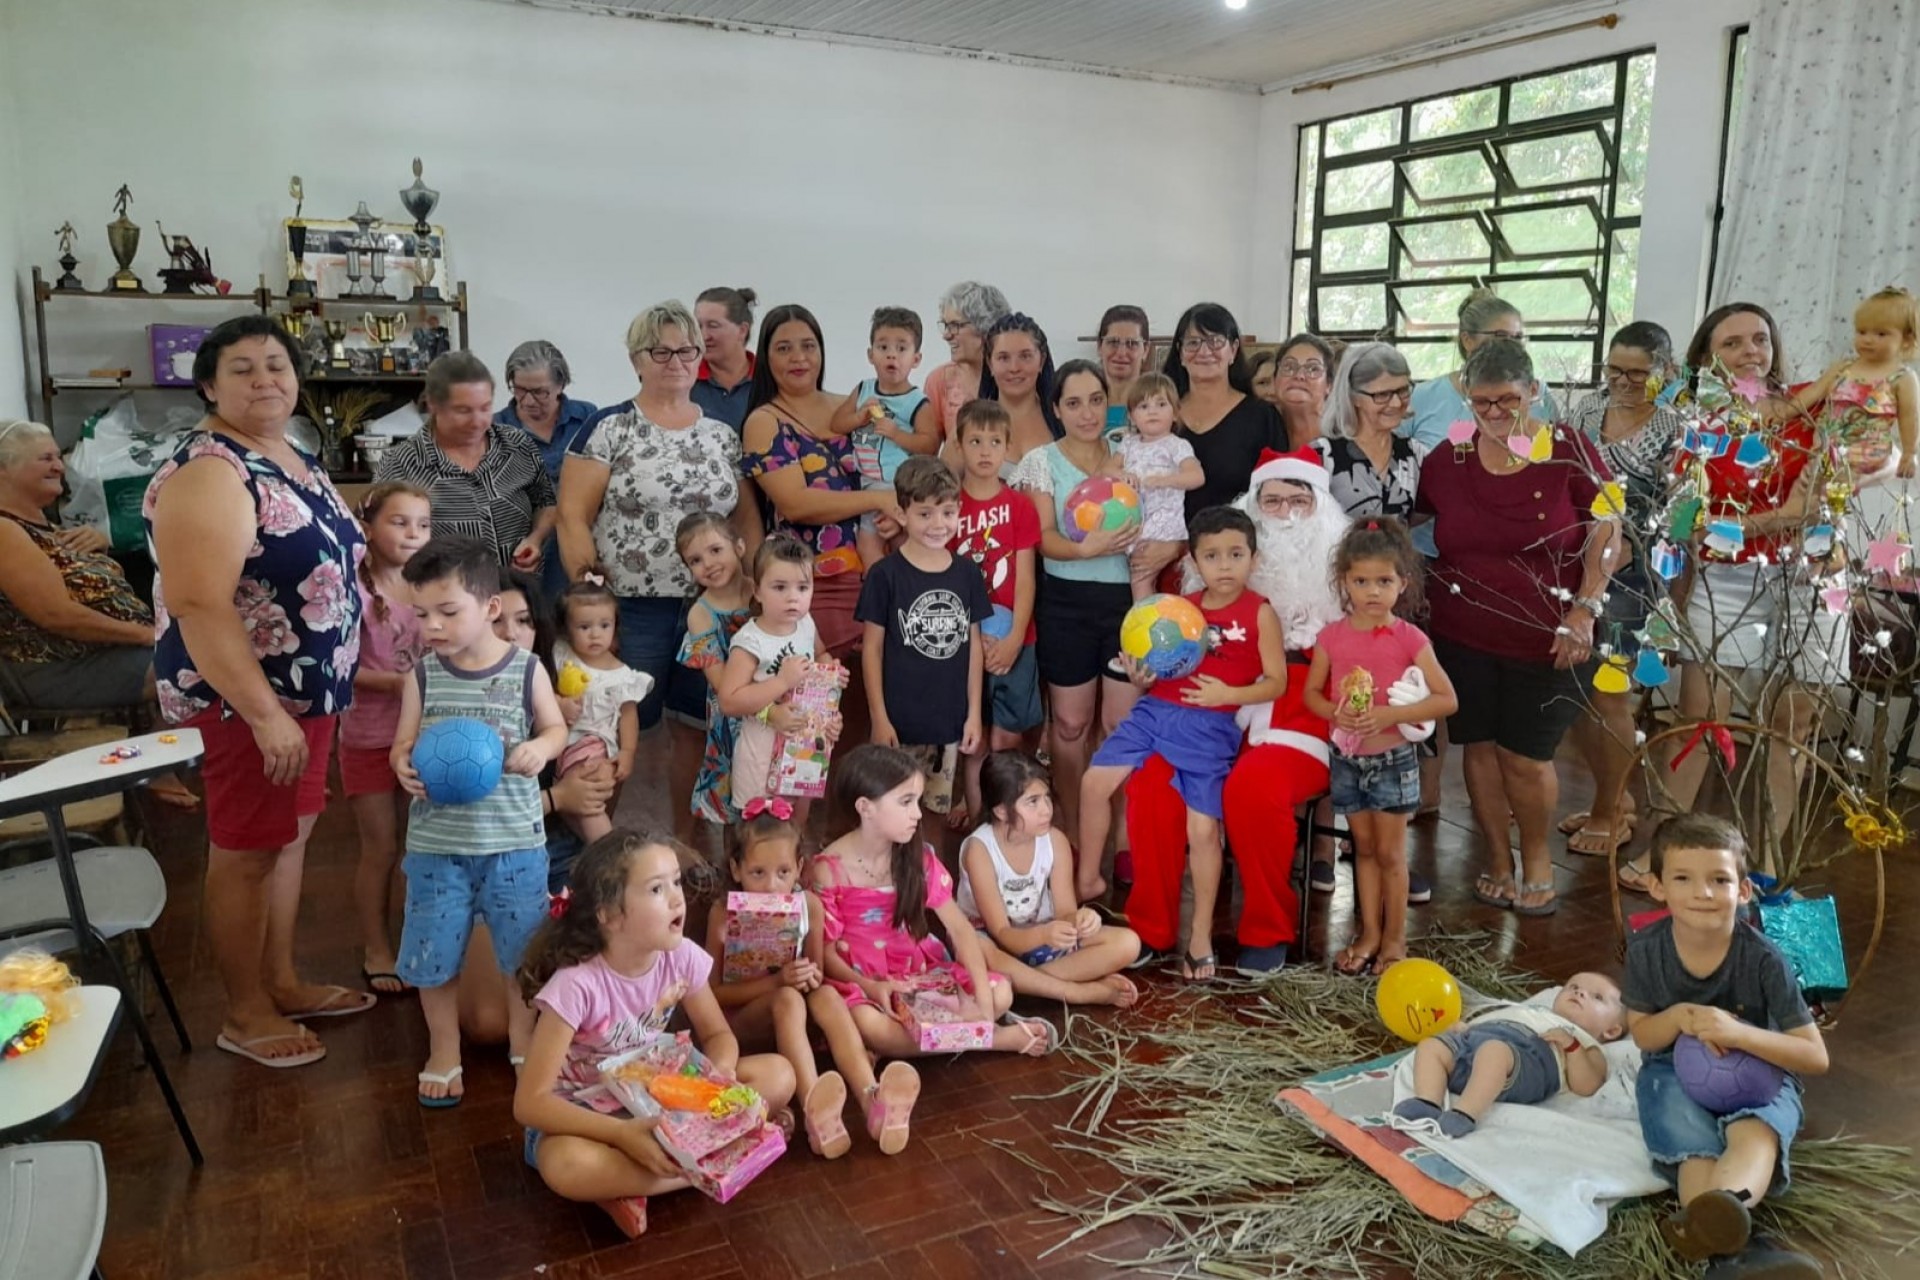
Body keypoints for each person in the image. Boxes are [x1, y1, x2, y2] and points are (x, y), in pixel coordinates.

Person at [145, 315, 373, 1068]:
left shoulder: (288, 455)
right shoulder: (212, 469)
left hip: (306, 695)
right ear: (207, 384)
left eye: (276, 364)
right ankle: (243, 1012)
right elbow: (201, 603)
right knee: (245, 851)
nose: (264, 379)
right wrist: (265, 714)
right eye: (241, 368)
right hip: (248, 700)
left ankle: (278, 977)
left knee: (285, 839)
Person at [1633, 304, 1838, 886]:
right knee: (1703, 722)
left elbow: (1871, 457)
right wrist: (1783, 517)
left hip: (1810, 582)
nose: (1752, 351)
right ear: (1705, 358)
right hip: (1726, 581)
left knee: (1790, 728)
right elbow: (1690, 526)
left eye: (1761, 339)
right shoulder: (1695, 426)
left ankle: (1764, 866)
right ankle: (1661, 861)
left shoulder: (1813, 404)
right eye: (1733, 344)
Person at [1126, 448, 1349, 973]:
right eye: (1272, 502)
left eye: (1300, 500)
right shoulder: (1211, 580)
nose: (1287, 514)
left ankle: (1267, 926)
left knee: (1256, 787)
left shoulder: (1346, 571)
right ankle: (1150, 928)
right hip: (1212, 710)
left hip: (1300, 708)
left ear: (1321, 508)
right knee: (1151, 780)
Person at [1417, 339, 1618, 918]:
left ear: (1534, 391)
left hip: (1548, 633)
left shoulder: (1567, 449)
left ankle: (1536, 859)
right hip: (1462, 628)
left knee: (1525, 756)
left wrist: (1585, 608)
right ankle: (1497, 860)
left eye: (1508, 399)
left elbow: (1609, 530)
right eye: (1482, 403)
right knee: (1477, 746)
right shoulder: (1451, 455)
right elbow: (1417, 513)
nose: (1496, 413)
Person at [514, 829, 798, 1238]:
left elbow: (718, 1034)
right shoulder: (575, 986)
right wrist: (621, 1134)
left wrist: (721, 1075)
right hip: (586, 1119)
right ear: (609, 915)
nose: (677, 898)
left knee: (778, 1075)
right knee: (566, 1165)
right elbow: (530, 1103)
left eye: (676, 882)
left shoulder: (679, 956)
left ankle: (630, 1185)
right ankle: (720, 1163)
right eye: (655, 888)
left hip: (660, 1101)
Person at [557, 300, 760, 833]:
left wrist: (749, 586)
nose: (675, 361)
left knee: (696, 729)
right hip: (631, 608)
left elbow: (745, 518)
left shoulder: (721, 434)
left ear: (700, 357)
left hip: (711, 610)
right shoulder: (609, 428)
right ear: (636, 360)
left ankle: (687, 847)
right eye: (660, 350)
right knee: (610, 730)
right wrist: (588, 595)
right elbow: (573, 516)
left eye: (686, 350)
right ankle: (596, 849)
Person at [392, 536, 567, 1106]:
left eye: (448, 612)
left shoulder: (527, 669)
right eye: (421, 614)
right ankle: (444, 1050)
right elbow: (402, 745)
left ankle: (523, 1039)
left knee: (521, 951)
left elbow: (556, 728)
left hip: (514, 842)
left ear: (490, 607)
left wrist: (542, 750)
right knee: (433, 951)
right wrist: (402, 765)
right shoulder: (421, 676)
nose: (432, 627)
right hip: (437, 846)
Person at [1080, 506, 1288, 980]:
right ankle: (1086, 881)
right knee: (1094, 781)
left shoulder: (1260, 612)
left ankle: (1198, 936)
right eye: (1212, 556)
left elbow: (1275, 682)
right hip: (1158, 712)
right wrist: (1141, 675)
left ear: (1253, 559)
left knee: (1201, 832)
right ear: (1195, 560)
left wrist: (1228, 695)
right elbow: (1158, 667)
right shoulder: (1181, 608)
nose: (1225, 565)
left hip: (1210, 727)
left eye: (1236, 554)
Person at [1624, 815, 1828, 1278]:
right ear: (1657, 887)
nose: (1704, 892)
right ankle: (1736, 1252)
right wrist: (1678, 1018)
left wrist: (1737, 1034)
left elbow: (1815, 1056)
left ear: (1743, 891)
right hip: (1672, 1070)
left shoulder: (1764, 959)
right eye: (1683, 878)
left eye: (1720, 879)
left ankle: (1721, 1231)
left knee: (1756, 1131)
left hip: (1759, 1071)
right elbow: (1642, 1034)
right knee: (1691, 1147)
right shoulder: (1646, 951)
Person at [811, 743, 1058, 1065]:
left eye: (917, 800)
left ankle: (902, 1045)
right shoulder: (828, 869)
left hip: (918, 971)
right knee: (869, 1023)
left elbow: (959, 929)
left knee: (1000, 994)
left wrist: (983, 1005)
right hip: (862, 981)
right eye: (906, 802)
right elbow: (825, 953)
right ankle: (991, 1039)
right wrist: (870, 987)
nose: (917, 812)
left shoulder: (919, 856)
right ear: (865, 807)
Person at [703, 799, 904, 1159]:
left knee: (826, 996)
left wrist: (807, 975)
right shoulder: (723, 911)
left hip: (795, 1016)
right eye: (757, 873)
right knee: (788, 999)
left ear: (799, 868)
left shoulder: (809, 905)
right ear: (736, 868)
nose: (770, 886)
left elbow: (818, 974)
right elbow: (712, 994)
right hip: (742, 1024)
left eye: (783, 872)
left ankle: (871, 1098)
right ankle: (815, 1108)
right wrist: (779, 982)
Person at [1303, 517, 1456, 976]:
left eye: (1384, 581)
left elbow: (1447, 698)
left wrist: (1389, 715)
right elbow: (1312, 694)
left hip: (1393, 760)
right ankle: (1368, 933)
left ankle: (1395, 940)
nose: (1372, 591)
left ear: (1402, 583)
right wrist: (1335, 712)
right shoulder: (1332, 636)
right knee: (1363, 850)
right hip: (1348, 759)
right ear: (1344, 582)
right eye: (1361, 581)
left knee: (1391, 854)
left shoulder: (1410, 638)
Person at [1562, 322, 1686, 858]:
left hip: (1637, 576)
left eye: (1639, 372)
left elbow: (1685, 515)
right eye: (1615, 369)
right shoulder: (1587, 411)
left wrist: (1651, 557)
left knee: (1610, 695)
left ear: (1666, 372)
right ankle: (1612, 801)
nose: (1624, 382)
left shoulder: (1677, 427)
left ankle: (1611, 812)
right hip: (1576, 567)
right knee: (1577, 697)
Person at [1012, 362, 1141, 868]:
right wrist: (1093, 548)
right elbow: (1043, 540)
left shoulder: (1130, 455)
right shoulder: (1043, 462)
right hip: (1064, 604)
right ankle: (1068, 824)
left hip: (1124, 607)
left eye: (1095, 400)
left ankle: (1126, 835)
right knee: (1068, 724)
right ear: (1056, 408)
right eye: (1073, 403)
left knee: (1120, 723)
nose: (1086, 413)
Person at [739, 304, 900, 655]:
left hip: (878, 571)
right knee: (821, 697)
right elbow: (797, 504)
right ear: (766, 358)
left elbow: (891, 467)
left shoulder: (852, 406)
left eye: (808, 346)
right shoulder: (764, 421)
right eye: (784, 348)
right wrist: (878, 501)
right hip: (812, 585)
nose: (799, 357)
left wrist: (894, 511)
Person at [857, 455, 990, 826]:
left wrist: (973, 714)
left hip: (949, 722)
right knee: (890, 817)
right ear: (902, 514)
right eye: (925, 513)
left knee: (932, 817)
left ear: (959, 511)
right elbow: (872, 649)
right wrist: (879, 717)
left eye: (947, 512)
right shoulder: (885, 575)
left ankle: (929, 884)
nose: (938, 524)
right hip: (898, 724)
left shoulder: (967, 574)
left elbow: (973, 646)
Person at [958, 751, 1141, 1005]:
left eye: (1046, 798)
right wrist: (1043, 936)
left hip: (1040, 936)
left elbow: (1065, 911)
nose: (1046, 810)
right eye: (1032, 801)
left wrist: (1080, 920)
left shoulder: (1055, 840)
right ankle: (1078, 992)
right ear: (1001, 810)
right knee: (979, 951)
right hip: (995, 941)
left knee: (1128, 943)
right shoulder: (980, 849)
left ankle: (1024, 985)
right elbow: (1000, 932)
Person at [0, 419, 156, 715]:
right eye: (46, 458)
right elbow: (58, 615)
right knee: (197, 671)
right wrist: (147, 634)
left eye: (58, 457)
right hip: (60, 669)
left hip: (105, 655)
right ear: (3, 470)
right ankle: (169, 759)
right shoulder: (5, 531)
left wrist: (101, 549)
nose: (59, 466)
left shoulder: (47, 528)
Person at [342, 483, 431, 996]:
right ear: (370, 527)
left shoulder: (430, 587)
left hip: (425, 737)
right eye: (399, 522)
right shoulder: (351, 590)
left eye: (422, 524)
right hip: (369, 736)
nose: (412, 534)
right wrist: (405, 684)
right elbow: (344, 667)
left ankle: (416, 942)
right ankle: (376, 946)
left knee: (419, 848)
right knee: (379, 846)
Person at [949, 400, 1044, 824]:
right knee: (973, 740)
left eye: (994, 442)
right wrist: (974, 641)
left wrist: (1012, 640)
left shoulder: (1020, 506)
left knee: (1007, 736)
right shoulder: (948, 507)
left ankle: (1007, 820)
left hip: (1014, 639)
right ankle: (978, 822)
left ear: (1008, 446)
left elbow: (1026, 580)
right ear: (959, 445)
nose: (985, 451)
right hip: (963, 640)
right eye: (975, 441)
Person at [376, 352, 556, 571]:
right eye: (463, 411)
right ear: (433, 405)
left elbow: (546, 503)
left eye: (485, 408)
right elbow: (383, 544)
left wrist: (535, 539)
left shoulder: (517, 445)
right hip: (441, 599)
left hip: (520, 596)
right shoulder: (401, 464)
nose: (478, 422)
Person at [1392, 972, 1627, 1137]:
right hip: (1481, 1043)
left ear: (1612, 1030)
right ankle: (1428, 1101)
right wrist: (1468, 1031)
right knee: (1431, 1045)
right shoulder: (1535, 1011)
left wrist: (1572, 1047)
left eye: (1597, 997)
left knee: (1494, 1052)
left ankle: (1464, 1113)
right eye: (1573, 987)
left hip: (1526, 1062)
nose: (1580, 993)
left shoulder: (1586, 1043)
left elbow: (1588, 1084)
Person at [716, 535, 840, 819]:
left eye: (803, 587)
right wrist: (782, 682)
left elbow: (820, 654)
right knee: (762, 829)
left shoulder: (805, 623)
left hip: (804, 747)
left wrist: (831, 682)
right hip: (761, 753)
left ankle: (794, 865)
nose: (793, 597)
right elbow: (730, 701)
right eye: (780, 587)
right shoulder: (750, 640)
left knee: (797, 824)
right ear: (757, 591)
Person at [829, 306, 937, 569]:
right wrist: (859, 418)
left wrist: (897, 434)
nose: (892, 354)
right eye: (883, 347)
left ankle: (907, 586)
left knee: (905, 543)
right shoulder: (864, 390)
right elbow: (836, 423)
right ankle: (878, 590)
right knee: (868, 542)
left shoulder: (916, 401)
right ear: (870, 354)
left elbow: (930, 445)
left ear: (916, 358)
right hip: (867, 487)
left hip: (901, 487)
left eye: (902, 348)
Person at [1163, 303, 1288, 521]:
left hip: (1235, 548)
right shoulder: (1159, 414)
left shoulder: (1261, 417)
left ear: (1234, 349)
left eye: (1215, 342)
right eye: (1193, 343)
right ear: (1180, 353)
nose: (1204, 352)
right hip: (1160, 548)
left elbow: (1278, 494)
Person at [550, 579, 653, 843]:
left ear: (615, 627)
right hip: (557, 742)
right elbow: (539, 686)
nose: (595, 634)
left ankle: (608, 849)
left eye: (604, 626)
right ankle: (594, 850)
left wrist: (627, 752)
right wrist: (559, 702)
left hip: (593, 745)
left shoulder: (622, 676)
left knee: (590, 799)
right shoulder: (562, 654)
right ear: (567, 629)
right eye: (584, 627)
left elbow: (629, 717)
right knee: (573, 810)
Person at [495, 340, 599, 601]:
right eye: (519, 390)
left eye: (540, 392)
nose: (528, 401)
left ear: (561, 385)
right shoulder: (494, 428)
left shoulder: (588, 417)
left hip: (575, 540)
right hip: (518, 546)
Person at [1788, 285, 1919, 484]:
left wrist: (1910, 453)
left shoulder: (1902, 377)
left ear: (1907, 339)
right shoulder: (1843, 367)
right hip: (1825, 446)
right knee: (1809, 491)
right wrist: (1784, 411)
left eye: (1881, 334)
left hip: (1867, 452)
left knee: (1833, 490)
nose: (1867, 340)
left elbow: (1910, 417)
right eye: (1862, 332)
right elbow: (1814, 392)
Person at [675, 511, 755, 828]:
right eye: (695, 560)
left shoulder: (762, 591)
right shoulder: (701, 614)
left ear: (739, 546)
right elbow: (723, 685)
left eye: (715, 550)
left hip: (775, 704)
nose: (707, 564)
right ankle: (733, 867)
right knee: (733, 796)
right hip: (732, 718)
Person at [1403, 289, 1558, 452]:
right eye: (1501, 336)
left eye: (1518, 338)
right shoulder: (1422, 397)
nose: (1511, 346)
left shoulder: (1539, 395)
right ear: (1467, 340)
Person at [1104, 371, 1204, 599]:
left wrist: (1167, 480)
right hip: (1135, 523)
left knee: (1142, 578)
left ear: (1175, 413)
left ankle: (1147, 618)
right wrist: (1121, 475)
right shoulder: (1128, 444)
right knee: (1136, 575)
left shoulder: (1176, 445)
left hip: (1164, 526)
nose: (1152, 411)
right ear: (1131, 416)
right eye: (1143, 406)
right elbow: (1106, 471)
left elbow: (1197, 476)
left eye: (1161, 404)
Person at [1315, 342, 1423, 522]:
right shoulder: (1322, 455)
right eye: (1382, 395)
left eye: (1403, 390)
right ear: (1354, 397)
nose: (1396, 403)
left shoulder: (1415, 454)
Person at [925, 281, 1011, 441]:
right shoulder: (938, 381)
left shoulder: (1016, 378)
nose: (946, 335)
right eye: (945, 325)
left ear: (985, 326)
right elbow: (928, 453)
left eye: (955, 325)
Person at [978, 313, 1063, 466]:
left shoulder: (1064, 418)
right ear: (990, 364)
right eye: (1003, 358)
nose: (1014, 368)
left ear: (1041, 361)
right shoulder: (970, 422)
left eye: (1025, 356)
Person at [691, 286, 759, 430]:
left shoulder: (770, 377)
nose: (703, 336)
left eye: (713, 326)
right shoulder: (685, 379)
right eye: (698, 326)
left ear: (742, 330)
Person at [1266, 333, 1339, 450]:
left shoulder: (1349, 440)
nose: (1299, 376)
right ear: (1275, 380)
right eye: (1289, 367)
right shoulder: (1257, 434)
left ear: (1329, 385)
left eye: (1313, 369)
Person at [1096, 305, 1153, 438]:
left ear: (1145, 349)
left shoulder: (1158, 406)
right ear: (1099, 346)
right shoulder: (1084, 404)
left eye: (1132, 344)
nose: (1121, 353)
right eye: (1113, 342)